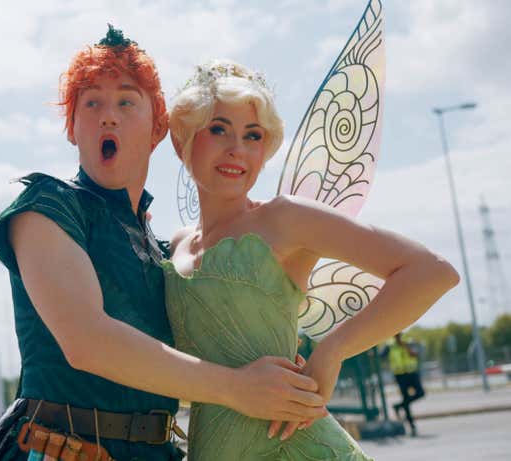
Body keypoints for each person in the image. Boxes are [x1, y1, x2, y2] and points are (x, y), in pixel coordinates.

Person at [0, 28, 325, 461]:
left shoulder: (162, 253)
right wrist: (238, 389)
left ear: (159, 127)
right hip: (59, 451)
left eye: (126, 100)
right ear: (72, 127)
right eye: (91, 103)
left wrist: (283, 365)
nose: (109, 115)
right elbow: (87, 341)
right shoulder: (44, 208)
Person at [163, 59, 460, 460]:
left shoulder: (284, 218)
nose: (237, 149)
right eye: (219, 129)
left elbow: (432, 272)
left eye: (253, 136)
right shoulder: (175, 247)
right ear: (182, 139)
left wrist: (332, 351)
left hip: (298, 447)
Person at [381, 332, 426, 436]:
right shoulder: (389, 345)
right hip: (400, 376)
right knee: (406, 400)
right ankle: (412, 426)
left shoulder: (409, 342)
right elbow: (381, 356)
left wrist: (404, 345)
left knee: (421, 393)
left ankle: (398, 406)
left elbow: (415, 354)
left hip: (412, 373)